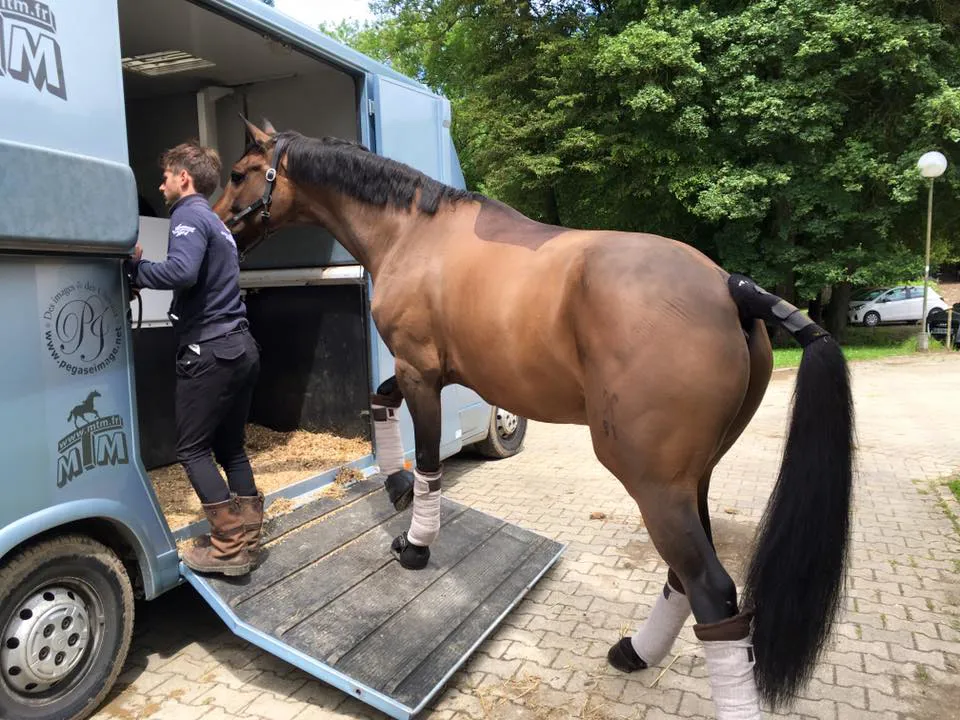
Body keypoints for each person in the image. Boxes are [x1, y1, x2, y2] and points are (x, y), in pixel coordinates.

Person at [126, 140, 263, 577]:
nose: (161, 184)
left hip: (210, 349)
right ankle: (250, 533)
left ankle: (227, 547)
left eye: (166, 176)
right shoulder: (217, 222)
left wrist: (134, 271)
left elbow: (182, 272)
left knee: (192, 449)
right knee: (231, 446)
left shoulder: (186, 215)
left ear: (184, 177)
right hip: (241, 345)